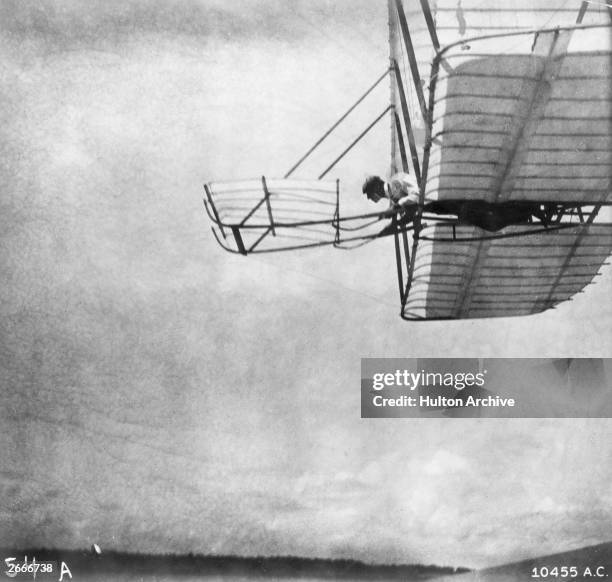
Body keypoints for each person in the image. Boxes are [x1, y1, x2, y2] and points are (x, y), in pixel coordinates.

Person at [362, 172, 552, 234]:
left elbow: (418, 195)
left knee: (492, 220)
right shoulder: (395, 198)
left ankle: (528, 208)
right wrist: (390, 227)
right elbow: (411, 215)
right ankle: (527, 209)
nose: (372, 199)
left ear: (377, 188)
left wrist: (396, 208)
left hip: (448, 199)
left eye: (371, 195)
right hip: (448, 207)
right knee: (492, 219)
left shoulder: (396, 181)